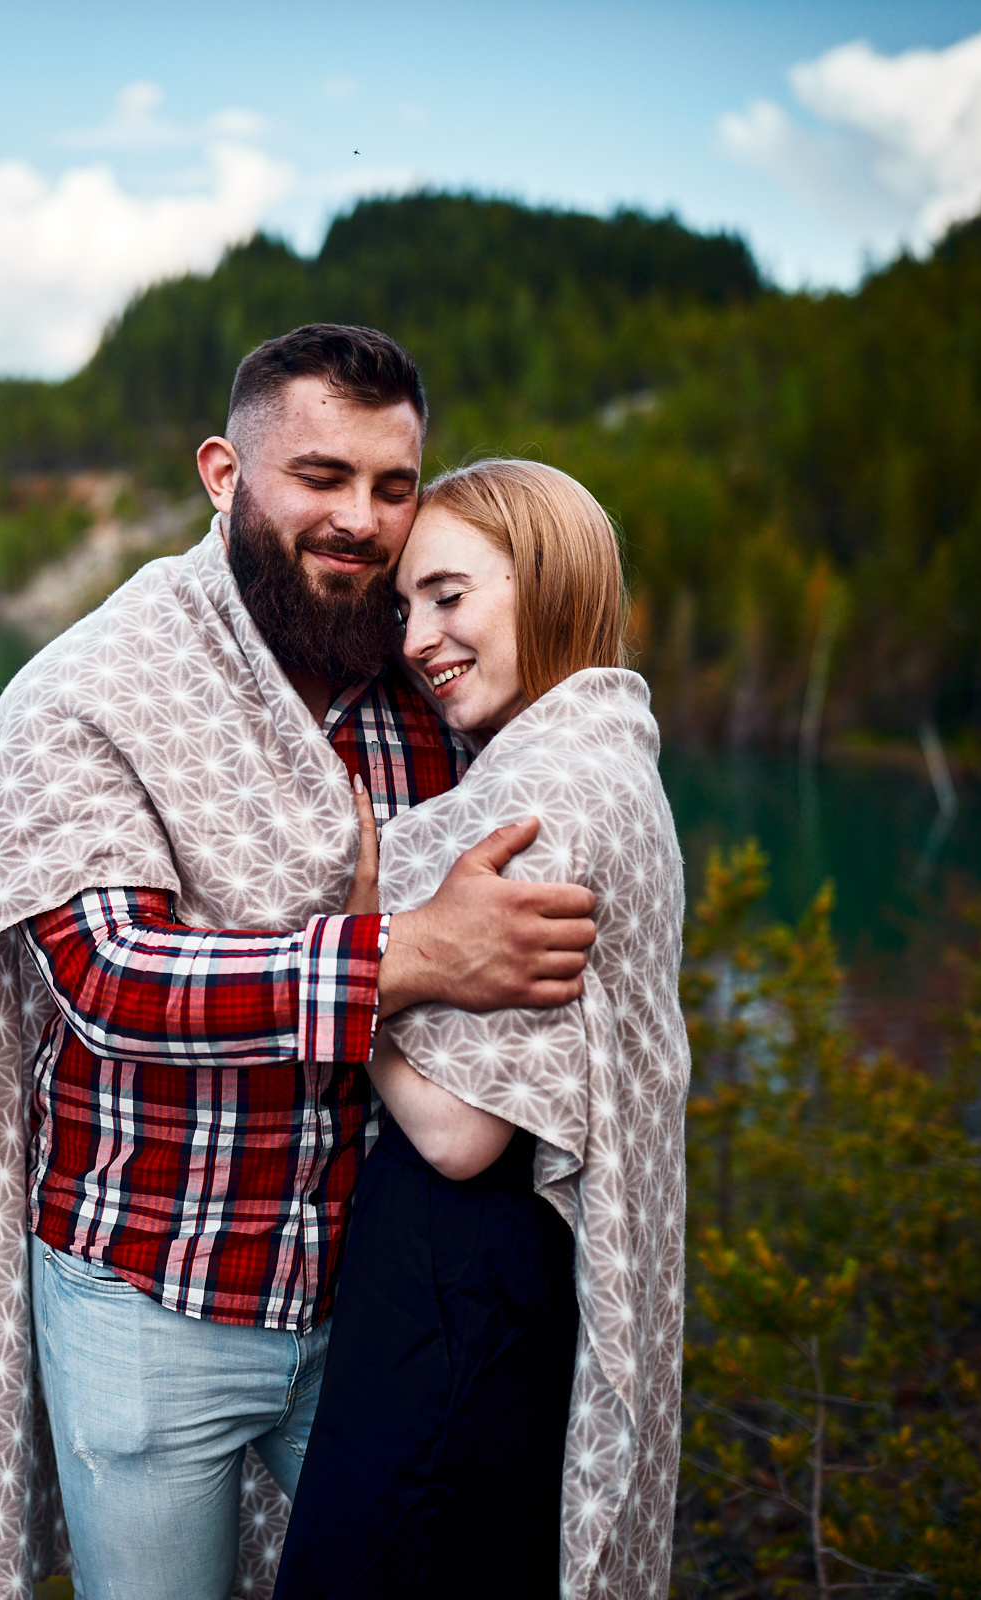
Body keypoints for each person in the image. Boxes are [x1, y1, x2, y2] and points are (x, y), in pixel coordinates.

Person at [0, 326, 600, 1600]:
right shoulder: (95, 691)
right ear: (225, 474)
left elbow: (548, 781)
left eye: (394, 487)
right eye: (320, 477)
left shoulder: (419, 675)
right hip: (152, 1293)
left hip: (374, 1294)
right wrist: (408, 952)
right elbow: (115, 974)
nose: (362, 520)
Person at [272, 459, 690, 1600]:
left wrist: (362, 954)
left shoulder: (541, 795)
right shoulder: (609, 759)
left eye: (450, 595)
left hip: (456, 1302)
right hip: (505, 1301)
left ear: (547, 582)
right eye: (407, 605)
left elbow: (461, 1136)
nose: (418, 636)